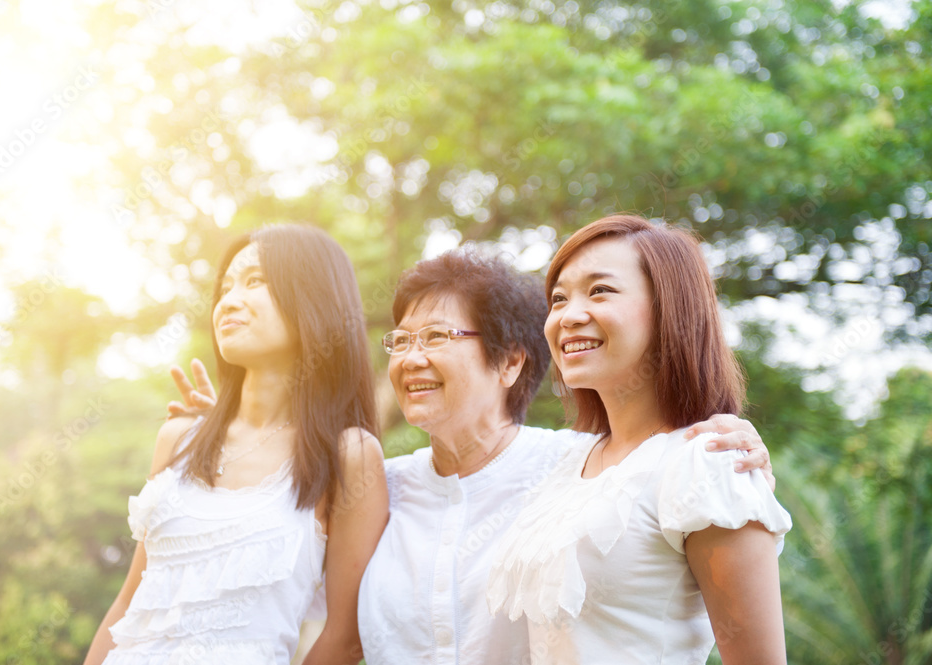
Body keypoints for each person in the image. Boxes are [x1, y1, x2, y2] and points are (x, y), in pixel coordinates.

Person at [170, 248, 777, 665]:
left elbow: (668, 480)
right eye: (401, 341)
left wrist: (733, 439)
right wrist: (234, 434)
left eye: (436, 337)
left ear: (511, 362)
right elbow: (255, 559)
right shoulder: (373, 486)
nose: (410, 359)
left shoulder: (580, 473)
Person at [487, 214, 791, 664]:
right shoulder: (569, 465)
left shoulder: (709, 463)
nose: (569, 316)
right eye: (557, 299)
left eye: (600, 290)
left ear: (671, 307)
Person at [84, 224, 388, 665]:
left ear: (314, 300)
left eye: (255, 281)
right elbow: (129, 602)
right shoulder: (178, 438)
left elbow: (347, 637)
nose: (229, 301)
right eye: (226, 286)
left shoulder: (349, 457)